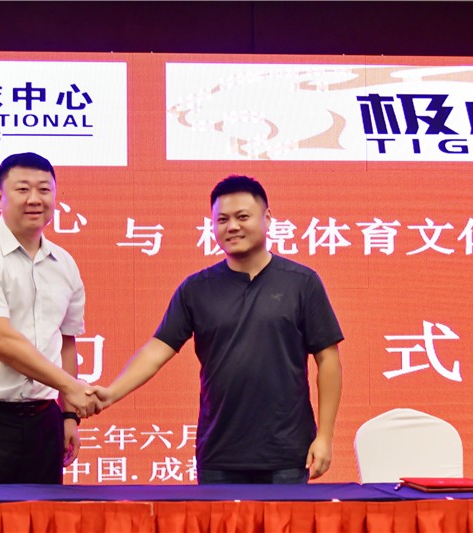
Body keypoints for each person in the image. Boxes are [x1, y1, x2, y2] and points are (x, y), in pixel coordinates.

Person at [93, 175, 343, 484]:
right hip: (219, 453)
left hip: (287, 453)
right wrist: (111, 394)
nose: (232, 227)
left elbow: (328, 360)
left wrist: (325, 436)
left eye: (242, 217)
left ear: (267, 218)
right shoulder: (196, 288)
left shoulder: (302, 282)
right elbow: (157, 350)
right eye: (222, 220)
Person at [0, 152, 100, 488]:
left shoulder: (64, 264)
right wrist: (72, 387)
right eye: (22, 189)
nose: (34, 199)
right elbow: (1, 341)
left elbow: (66, 342)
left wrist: (69, 414)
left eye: (44, 189)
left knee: (42, 516)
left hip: (44, 424)